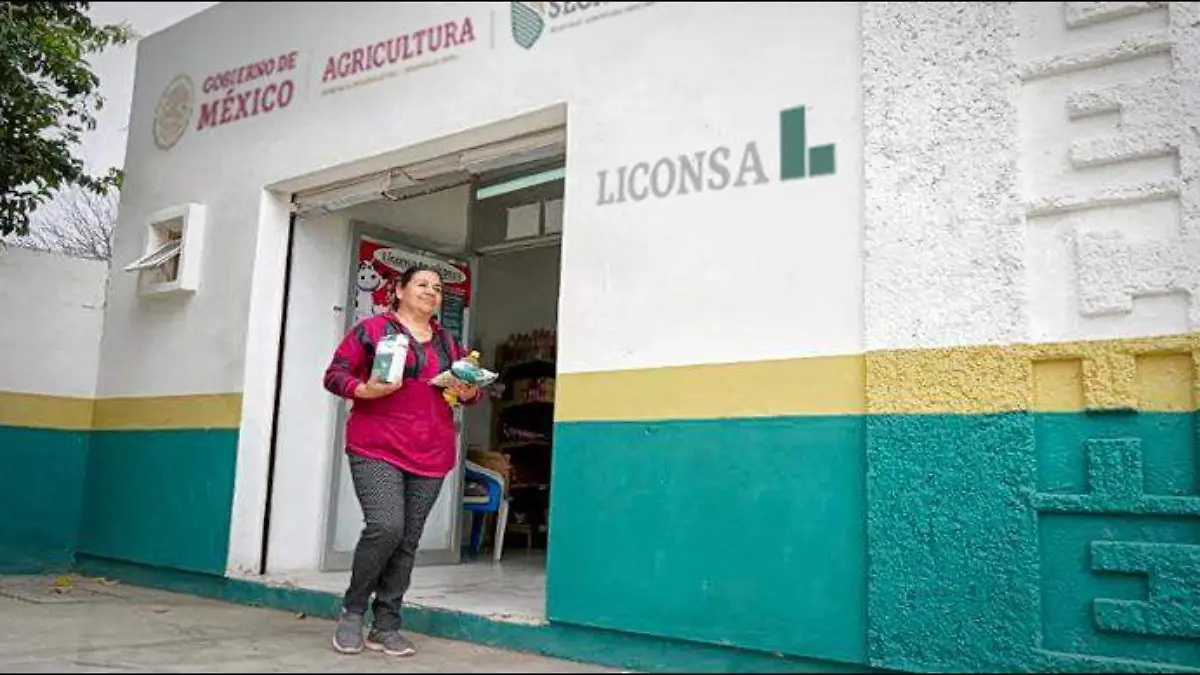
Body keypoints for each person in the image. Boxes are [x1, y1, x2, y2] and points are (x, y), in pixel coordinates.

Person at [322, 264, 481, 657]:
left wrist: (467, 390)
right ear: (399, 290)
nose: (431, 291)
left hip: (431, 449)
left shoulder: (449, 343)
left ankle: (387, 624)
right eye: (422, 284)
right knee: (385, 527)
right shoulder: (373, 331)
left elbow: (471, 393)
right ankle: (352, 611)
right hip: (376, 445)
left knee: (407, 541)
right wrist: (364, 389)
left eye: (438, 288)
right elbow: (334, 374)